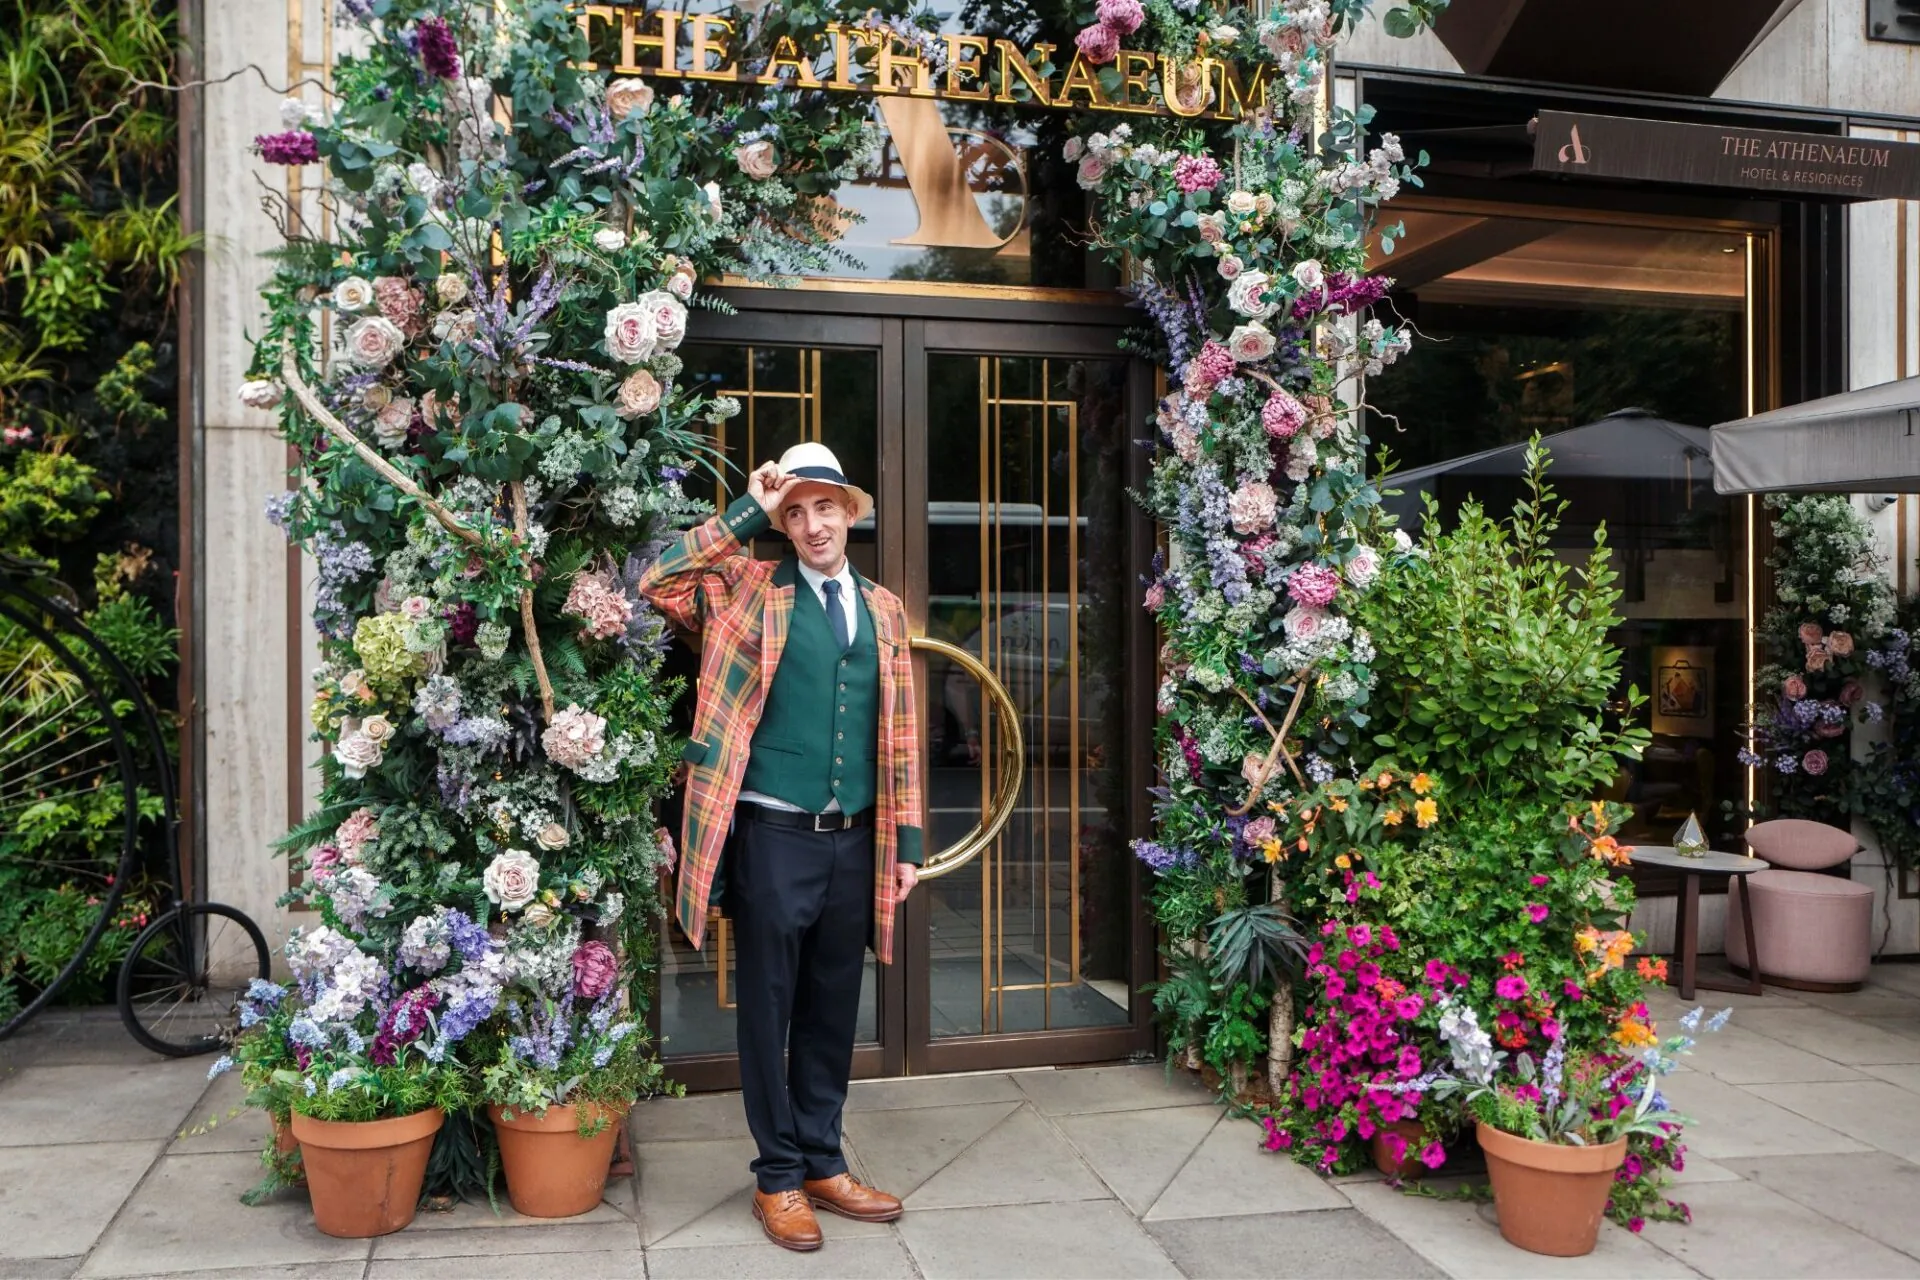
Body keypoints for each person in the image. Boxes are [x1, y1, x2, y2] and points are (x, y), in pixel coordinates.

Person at [639, 441, 923, 1252]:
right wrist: (747, 512)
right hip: (771, 834)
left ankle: (824, 1160)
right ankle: (777, 1176)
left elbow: (900, 736)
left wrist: (904, 841)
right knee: (766, 1006)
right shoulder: (747, 590)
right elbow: (659, 579)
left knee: (833, 1005)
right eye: (794, 513)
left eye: (822, 508)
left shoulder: (886, 610)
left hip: (854, 841)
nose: (811, 524)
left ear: (848, 514)